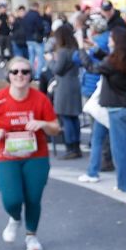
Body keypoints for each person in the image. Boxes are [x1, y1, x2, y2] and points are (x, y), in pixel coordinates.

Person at [0, 56, 59, 250]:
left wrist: (43, 124)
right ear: (8, 75)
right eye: (15, 72)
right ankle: (15, 218)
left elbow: (55, 128)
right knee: (11, 198)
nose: (20, 75)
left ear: (31, 76)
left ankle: (31, 236)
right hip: (7, 155)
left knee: (33, 198)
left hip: (36, 155)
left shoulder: (40, 99)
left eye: (25, 72)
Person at [81, 24, 126, 192]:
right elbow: (111, 61)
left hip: (116, 108)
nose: (109, 41)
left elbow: (92, 68)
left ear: (116, 42)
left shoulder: (112, 62)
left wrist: (81, 50)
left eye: (111, 39)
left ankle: (124, 185)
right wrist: (97, 49)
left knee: (120, 148)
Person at [44, 22, 85, 160]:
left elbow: (57, 70)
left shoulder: (62, 51)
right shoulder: (74, 49)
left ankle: (70, 146)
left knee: (65, 117)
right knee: (74, 117)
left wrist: (50, 61)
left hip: (64, 86)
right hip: (74, 83)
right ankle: (76, 145)